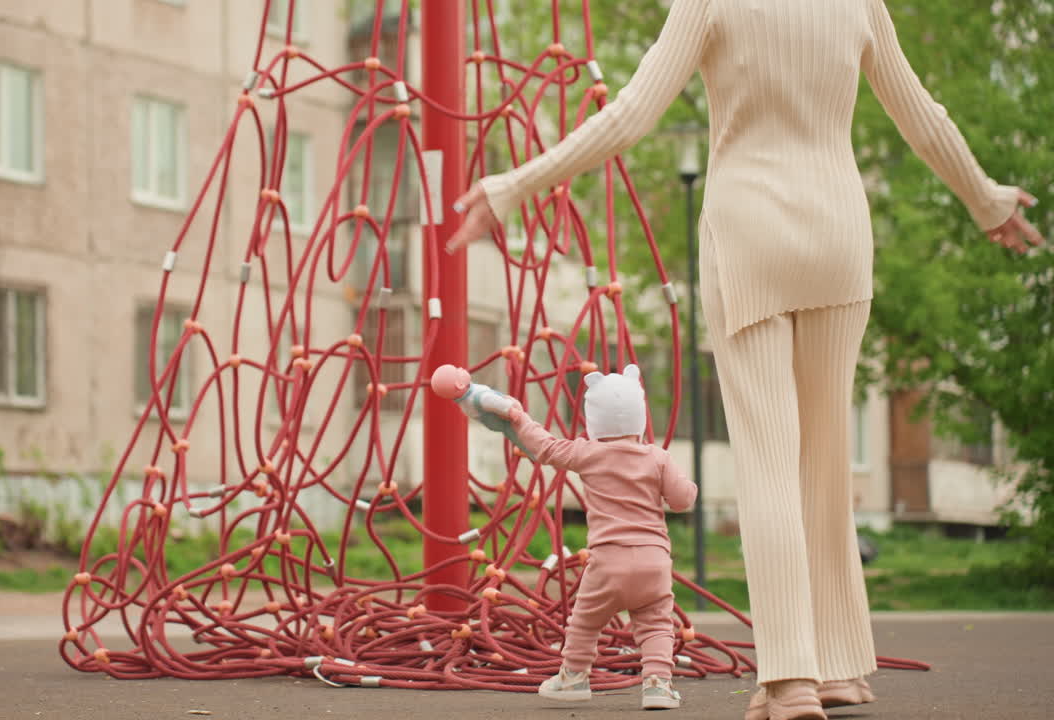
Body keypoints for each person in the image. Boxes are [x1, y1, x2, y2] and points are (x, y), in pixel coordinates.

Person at [445, 1, 1045, 718]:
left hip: (749, 231)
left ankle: (790, 677)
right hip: (839, 234)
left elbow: (631, 114)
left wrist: (514, 186)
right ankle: (840, 667)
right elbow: (922, 114)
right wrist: (988, 199)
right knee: (824, 457)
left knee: (768, 460)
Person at [504, 364, 697, 710]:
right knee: (655, 624)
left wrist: (519, 419)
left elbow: (546, 448)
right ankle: (658, 685)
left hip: (608, 560)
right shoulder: (657, 458)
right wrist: (689, 488)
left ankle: (574, 677)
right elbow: (682, 500)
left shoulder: (587, 453)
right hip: (654, 560)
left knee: (585, 621)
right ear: (640, 413)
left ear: (594, 419)